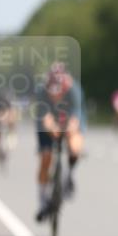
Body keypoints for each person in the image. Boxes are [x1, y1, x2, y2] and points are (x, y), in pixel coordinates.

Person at [35, 63, 86, 221]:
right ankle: (43, 200)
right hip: (48, 122)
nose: (55, 96)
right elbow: (45, 117)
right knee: (46, 157)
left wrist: (69, 128)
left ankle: (70, 175)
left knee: (74, 145)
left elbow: (76, 117)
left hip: (69, 118)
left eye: (59, 92)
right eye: (52, 92)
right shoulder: (41, 92)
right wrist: (52, 128)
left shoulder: (74, 90)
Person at [0, 87, 18, 164]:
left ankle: (11, 135)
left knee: (11, 121)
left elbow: (12, 114)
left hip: (6, 112)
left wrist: (11, 128)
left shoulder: (8, 103)